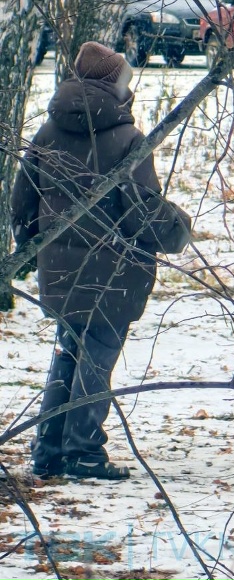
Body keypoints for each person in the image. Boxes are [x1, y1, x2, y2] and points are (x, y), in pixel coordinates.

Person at [11, 41, 191, 481]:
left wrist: (32, 245)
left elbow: (22, 198)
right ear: (114, 84)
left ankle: (49, 449)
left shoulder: (48, 131)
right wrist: (178, 229)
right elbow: (142, 212)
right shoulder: (127, 138)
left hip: (61, 269)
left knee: (68, 355)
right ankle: (84, 451)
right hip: (114, 272)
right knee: (95, 362)